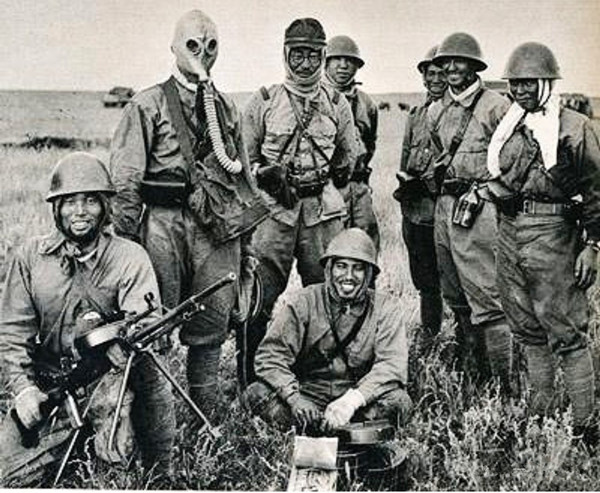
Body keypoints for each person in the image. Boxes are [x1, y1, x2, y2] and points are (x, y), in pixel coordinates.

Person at [110, 10, 269, 412]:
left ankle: (206, 412)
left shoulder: (226, 108)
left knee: (213, 321)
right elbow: (126, 180)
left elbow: (242, 182)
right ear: (174, 48)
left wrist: (246, 249)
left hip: (215, 227)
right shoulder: (147, 105)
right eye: (193, 45)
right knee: (152, 321)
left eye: (211, 46)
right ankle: (155, 416)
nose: (203, 54)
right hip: (163, 226)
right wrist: (124, 249)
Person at [0, 153, 175, 486]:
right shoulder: (30, 258)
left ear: (105, 207)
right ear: (56, 208)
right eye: (69, 202)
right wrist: (24, 390)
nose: (80, 211)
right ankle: (73, 442)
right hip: (52, 384)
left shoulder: (129, 257)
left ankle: (158, 468)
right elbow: (12, 333)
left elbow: (144, 318)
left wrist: (124, 341)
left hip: (109, 379)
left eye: (91, 201)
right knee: (8, 476)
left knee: (115, 475)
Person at [487, 42, 600, 443]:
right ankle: (542, 413)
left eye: (529, 82)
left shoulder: (574, 127)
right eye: (515, 83)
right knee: (526, 327)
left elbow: (596, 191)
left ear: (547, 83)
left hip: (553, 233)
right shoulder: (508, 125)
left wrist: (592, 246)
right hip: (510, 230)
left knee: (566, 331)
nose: (520, 90)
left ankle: (585, 426)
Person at [240, 18, 358, 387]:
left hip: (321, 214)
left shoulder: (337, 103)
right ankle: (251, 377)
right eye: (297, 55)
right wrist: (266, 175)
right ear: (285, 55)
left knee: (328, 297)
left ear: (323, 57)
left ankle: (321, 377)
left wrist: (325, 177)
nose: (305, 64)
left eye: (312, 56)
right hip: (273, 215)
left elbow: (348, 157)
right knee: (257, 298)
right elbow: (243, 161)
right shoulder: (264, 101)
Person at [244, 228, 411, 432]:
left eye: (358, 268)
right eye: (341, 266)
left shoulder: (386, 308)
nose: (348, 276)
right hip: (306, 395)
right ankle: (323, 430)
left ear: (369, 273)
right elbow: (271, 356)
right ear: (329, 269)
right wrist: (294, 398)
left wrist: (352, 401)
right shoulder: (304, 301)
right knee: (256, 393)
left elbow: (391, 365)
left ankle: (341, 431)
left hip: (359, 399)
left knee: (399, 402)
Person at [427, 32, 512, 390]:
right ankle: (472, 375)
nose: (451, 68)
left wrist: (487, 192)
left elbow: (515, 163)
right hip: (445, 208)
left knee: (487, 299)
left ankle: (503, 387)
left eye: (459, 61)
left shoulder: (497, 107)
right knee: (456, 296)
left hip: (480, 209)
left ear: (475, 65)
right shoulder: (436, 110)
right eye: (445, 62)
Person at [393, 46, 449, 378]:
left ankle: (463, 341)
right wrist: (406, 188)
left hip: (443, 211)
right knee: (425, 280)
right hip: (414, 211)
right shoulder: (415, 114)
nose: (436, 79)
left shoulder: (456, 114)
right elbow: (405, 158)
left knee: (455, 281)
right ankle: (431, 335)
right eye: (430, 73)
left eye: (442, 73)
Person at [324, 35, 380, 249]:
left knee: (366, 244)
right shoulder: (316, 98)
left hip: (359, 184)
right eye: (337, 59)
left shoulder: (367, 104)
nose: (343, 65)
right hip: (328, 187)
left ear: (357, 66)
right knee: (331, 245)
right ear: (326, 62)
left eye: (349, 60)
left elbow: (370, 144)